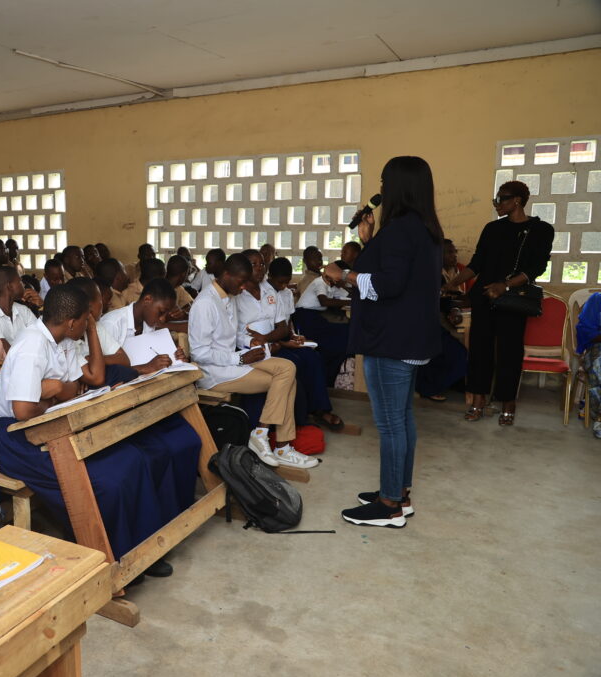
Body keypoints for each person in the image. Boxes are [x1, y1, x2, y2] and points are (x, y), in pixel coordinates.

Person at [0, 284, 199, 577]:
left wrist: (88, 333)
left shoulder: (65, 341)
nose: (92, 323)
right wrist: (56, 393)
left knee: (132, 459)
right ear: (71, 322)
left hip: (53, 424)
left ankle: (142, 549)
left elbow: (93, 378)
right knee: (107, 479)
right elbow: (23, 411)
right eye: (86, 319)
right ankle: (113, 557)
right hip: (17, 437)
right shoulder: (32, 345)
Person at [324, 156, 444, 528]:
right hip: (410, 338)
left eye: (384, 182)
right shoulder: (423, 228)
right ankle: (399, 493)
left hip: (391, 340)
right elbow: (396, 273)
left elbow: (387, 284)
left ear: (399, 187)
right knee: (403, 418)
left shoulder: (401, 230)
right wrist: (368, 241)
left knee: (391, 424)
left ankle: (389, 505)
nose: (381, 190)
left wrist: (343, 274)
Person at [189, 254, 316, 468]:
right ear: (226, 275)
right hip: (214, 373)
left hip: (234, 361)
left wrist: (251, 342)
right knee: (286, 379)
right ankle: (276, 443)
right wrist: (239, 356)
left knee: (288, 368)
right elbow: (199, 353)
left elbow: (234, 334)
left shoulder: (228, 296)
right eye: (241, 282)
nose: (243, 288)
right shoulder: (205, 303)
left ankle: (266, 436)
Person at [446, 180, 554, 425]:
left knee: (510, 352)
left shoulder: (541, 230)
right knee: (479, 351)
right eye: (495, 199)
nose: (496, 204)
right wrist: (452, 283)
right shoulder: (492, 229)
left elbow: (536, 268)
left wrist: (504, 285)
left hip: (514, 299)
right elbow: (477, 264)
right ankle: (478, 400)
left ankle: (508, 403)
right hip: (484, 296)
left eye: (501, 199)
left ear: (517, 201)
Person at [237, 251, 343, 431]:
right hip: (251, 348)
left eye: (262, 264)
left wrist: (285, 337)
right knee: (294, 362)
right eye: (254, 265)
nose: (259, 268)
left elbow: (283, 326)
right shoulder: (236, 295)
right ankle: (298, 418)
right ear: (242, 268)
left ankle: (319, 409)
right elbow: (236, 332)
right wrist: (269, 342)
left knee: (313, 357)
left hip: (276, 341)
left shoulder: (270, 292)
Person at [0, 266, 38, 348]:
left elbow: (39, 338)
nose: (23, 284)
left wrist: (40, 306)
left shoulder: (24, 310)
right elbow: (2, 348)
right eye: (20, 281)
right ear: (10, 287)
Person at [576, 292, 601, 437]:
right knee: (599, 365)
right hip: (597, 349)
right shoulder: (597, 300)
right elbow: (585, 331)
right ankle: (599, 418)